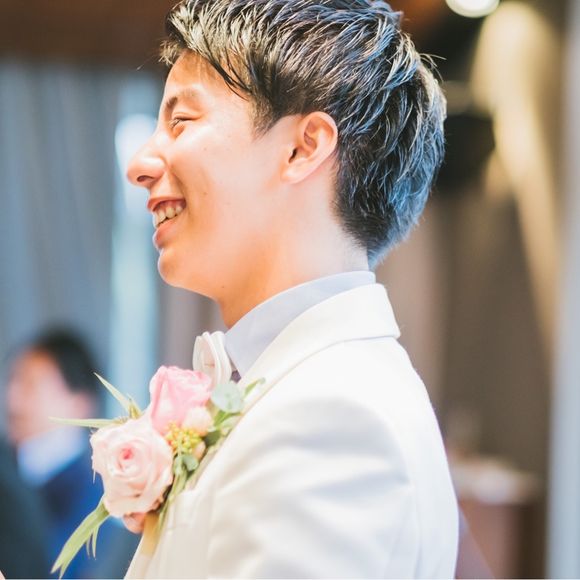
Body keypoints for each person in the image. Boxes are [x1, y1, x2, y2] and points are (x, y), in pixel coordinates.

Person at [125, 0, 458, 577]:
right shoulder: (305, 387)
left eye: (182, 120)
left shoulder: (334, 417)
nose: (139, 163)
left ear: (303, 148)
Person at [5, 328, 139, 579]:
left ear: (80, 402)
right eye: (12, 381)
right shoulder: (10, 466)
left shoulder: (102, 497)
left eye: (30, 385)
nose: (13, 400)